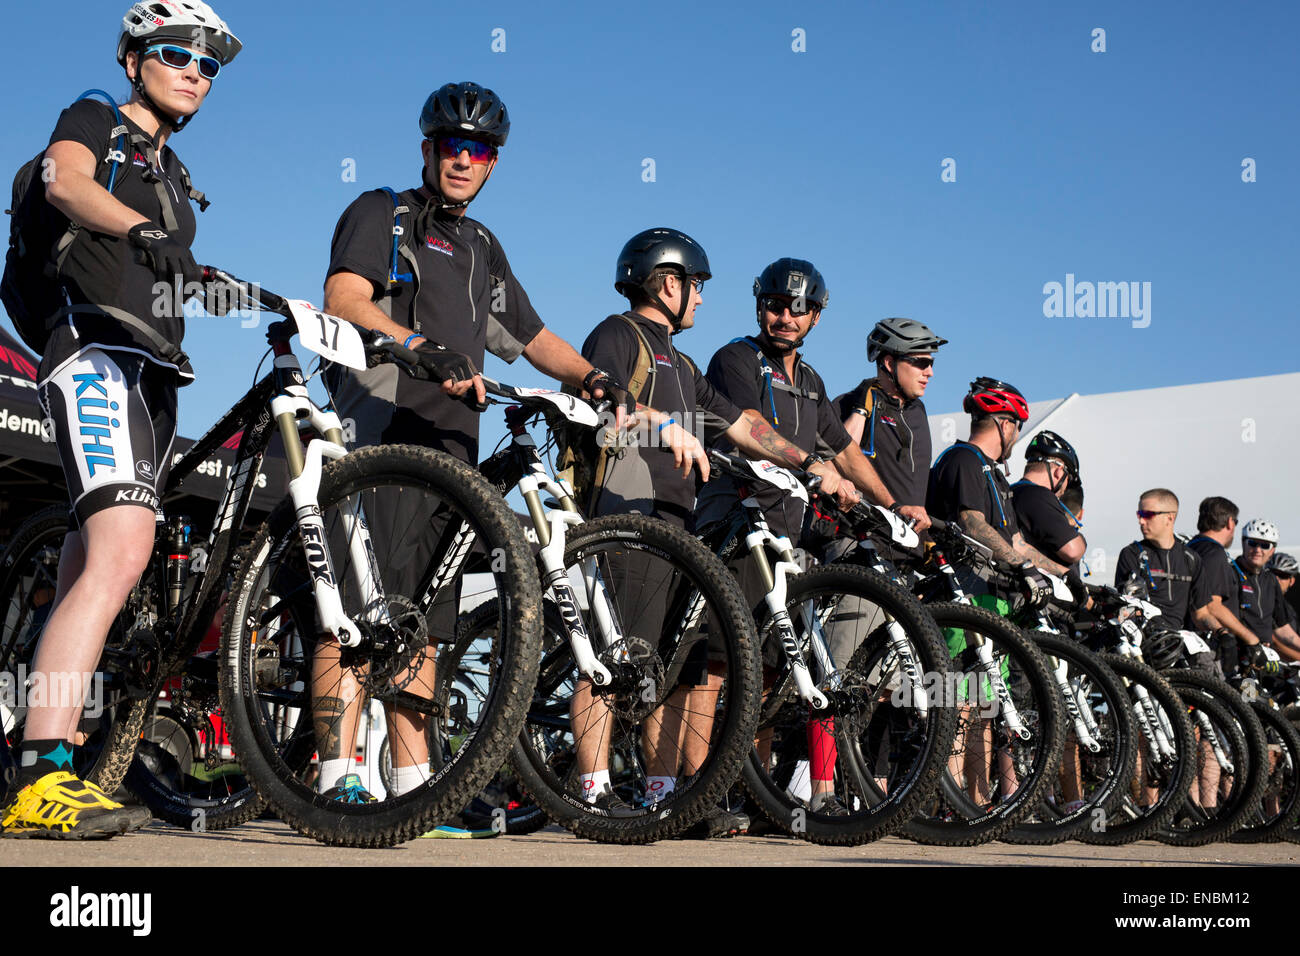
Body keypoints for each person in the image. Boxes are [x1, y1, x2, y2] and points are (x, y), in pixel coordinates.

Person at [319, 82, 623, 835]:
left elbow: (529, 336)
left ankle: (416, 786)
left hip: (455, 456)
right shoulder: (382, 212)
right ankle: (338, 776)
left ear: (492, 164)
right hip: (384, 437)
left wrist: (589, 377)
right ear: (427, 149)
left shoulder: (483, 245)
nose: (463, 159)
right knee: (357, 614)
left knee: (426, 623)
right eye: (451, 145)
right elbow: (343, 297)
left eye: (478, 150)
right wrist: (418, 346)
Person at [2, 1, 241, 839]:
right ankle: (39, 777)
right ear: (134, 57)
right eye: (178, 54)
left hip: (154, 369)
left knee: (92, 567)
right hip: (92, 349)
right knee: (123, 549)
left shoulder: (177, 173)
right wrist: (140, 225)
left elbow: (166, 267)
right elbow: (64, 181)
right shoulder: (96, 116)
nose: (195, 72)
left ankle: (55, 740)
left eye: (210, 64)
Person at [573, 231, 861, 836]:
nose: (702, 300)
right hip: (626, 513)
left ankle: (663, 794)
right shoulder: (618, 334)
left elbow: (743, 425)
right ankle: (592, 795)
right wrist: (660, 428)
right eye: (696, 287)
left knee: (662, 666)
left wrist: (809, 465)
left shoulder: (683, 364)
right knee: (610, 662)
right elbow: (600, 406)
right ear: (668, 282)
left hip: (677, 527)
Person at [698, 262, 930, 819]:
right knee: (722, 662)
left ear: (816, 316)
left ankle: (751, 792)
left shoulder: (813, 381)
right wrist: (809, 464)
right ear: (760, 308)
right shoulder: (736, 358)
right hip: (739, 521)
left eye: (797, 308)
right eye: (776, 305)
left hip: (792, 536)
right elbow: (748, 421)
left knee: (776, 671)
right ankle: (701, 786)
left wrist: (888, 505)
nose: (785, 316)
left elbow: (845, 452)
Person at [835, 317, 948, 510]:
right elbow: (839, 456)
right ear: (889, 363)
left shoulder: (918, 410)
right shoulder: (849, 402)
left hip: (912, 535)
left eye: (931, 363)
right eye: (921, 363)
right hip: (865, 533)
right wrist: (861, 409)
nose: (929, 372)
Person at [1186, 497, 1272, 676]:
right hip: (1211, 648)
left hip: (1193, 645)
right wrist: (1251, 639)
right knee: (1228, 700)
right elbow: (1213, 606)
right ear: (1230, 523)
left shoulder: (1190, 548)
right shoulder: (1215, 554)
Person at [1113, 489, 1213, 631]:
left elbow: (1201, 614)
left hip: (1178, 644)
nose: (1141, 521)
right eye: (1139, 514)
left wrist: (1222, 632)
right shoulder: (1131, 554)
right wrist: (1148, 622)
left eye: (1147, 515)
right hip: (1142, 644)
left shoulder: (1191, 559)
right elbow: (1123, 612)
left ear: (1170, 518)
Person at [1010, 430, 1088, 576]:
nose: (1064, 489)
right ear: (1059, 471)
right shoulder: (1037, 495)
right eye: (1068, 480)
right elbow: (1072, 551)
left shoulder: (1011, 491)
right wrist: (1080, 538)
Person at [1233, 520, 1300, 661]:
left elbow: (1282, 629)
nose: (1258, 550)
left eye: (1264, 545)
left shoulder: (1270, 580)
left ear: (1272, 550)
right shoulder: (1230, 573)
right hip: (1236, 656)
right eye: (1252, 543)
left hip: (1264, 658)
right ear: (1243, 542)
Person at [1268, 552, 1299, 630]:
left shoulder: (1290, 609)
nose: (1276, 579)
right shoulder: (1256, 602)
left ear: (1291, 581)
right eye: (1272, 574)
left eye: (1283, 575)